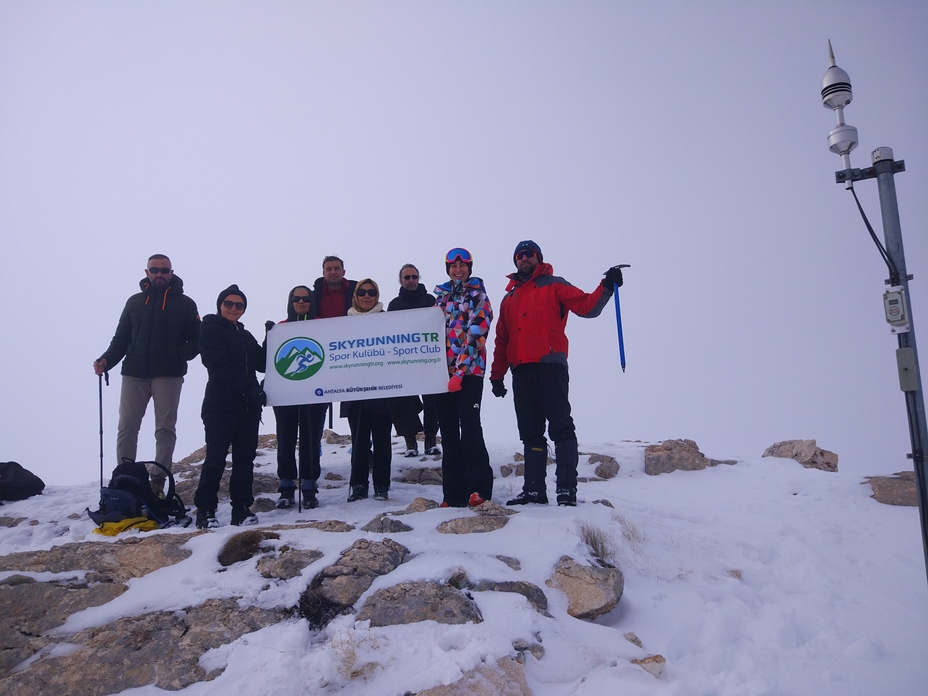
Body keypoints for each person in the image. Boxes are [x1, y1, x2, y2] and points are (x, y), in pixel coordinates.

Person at [489, 240, 623, 507]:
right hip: (521, 370)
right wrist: (496, 376)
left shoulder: (554, 284)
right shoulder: (509, 298)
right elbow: (502, 340)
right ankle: (534, 490)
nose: (524, 259)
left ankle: (566, 489)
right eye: (520, 255)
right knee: (530, 433)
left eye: (529, 255)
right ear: (515, 261)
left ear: (538, 258)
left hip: (550, 365)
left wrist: (606, 286)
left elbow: (587, 306)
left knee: (561, 428)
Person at [93, 254, 200, 496]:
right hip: (134, 373)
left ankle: (157, 484)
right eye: (155, 270)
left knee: (165, 429)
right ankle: (126, 481)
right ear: (146, 272)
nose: (159, 274)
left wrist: (176, 355)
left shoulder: (185, 304)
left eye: (164, 270)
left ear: (171, 273)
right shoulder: (134, 302)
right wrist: (106, 361)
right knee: (127, 427)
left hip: (169, 375)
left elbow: (197, 339)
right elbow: (121, 339)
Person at [193, 285, 266, 528]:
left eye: (239, 305)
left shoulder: (244, 335)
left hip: (247, 407)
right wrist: (250, 388)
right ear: (220, 305)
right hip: (220, 405)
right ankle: (205, 510)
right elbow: (218, 366)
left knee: (245, 459)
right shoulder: (210, 330)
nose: (234, 308)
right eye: (229, 303)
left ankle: (241, 509)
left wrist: (273, 337)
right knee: (215, 458)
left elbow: (263, 363)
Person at [433, 248, 493, 508]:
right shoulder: (440, 298)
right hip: (440, 375)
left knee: (469, 428)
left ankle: (478, 489)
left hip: (468, 374)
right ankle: (452, 494)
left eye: (463, 265)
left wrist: (459, 371)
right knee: (448, 433)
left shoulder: (478, 294)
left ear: (470, 267)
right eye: (453, 265)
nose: (458, 269)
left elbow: (477, 333)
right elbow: (430, 333)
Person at [268, 286, 328, 510]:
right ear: (290, 302)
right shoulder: (281, 328)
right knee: (285, 440)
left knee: (310, 442)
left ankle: (309, 487)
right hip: (286, 395)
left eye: (305, 298)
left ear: (311, 301)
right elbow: (268, 360)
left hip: (315, 395)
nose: (301, 302)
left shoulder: (323, 325)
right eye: (296, 298)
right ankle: (286, 487)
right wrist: (269, 339)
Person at [345, 279, 393, 502]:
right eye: (362, 292)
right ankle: (358, 486)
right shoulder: (344, 322)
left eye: (371, 292)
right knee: (359, 441)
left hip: (382, 392)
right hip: (354, 392)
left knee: (382, 440)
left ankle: (382, 485)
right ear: (356, 295)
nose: (366, 296)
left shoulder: (388, 320)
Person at [387, 263, 440, 457]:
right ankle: (410, 442)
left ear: (419, 278)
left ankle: (431, 440)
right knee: (404, 401)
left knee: (432, 401)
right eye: (407, 277)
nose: (411, 280)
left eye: (414, 277)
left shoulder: (430, 301)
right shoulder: (394, 305)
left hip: (428, 359)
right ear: (400, 280)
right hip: (404, 360)